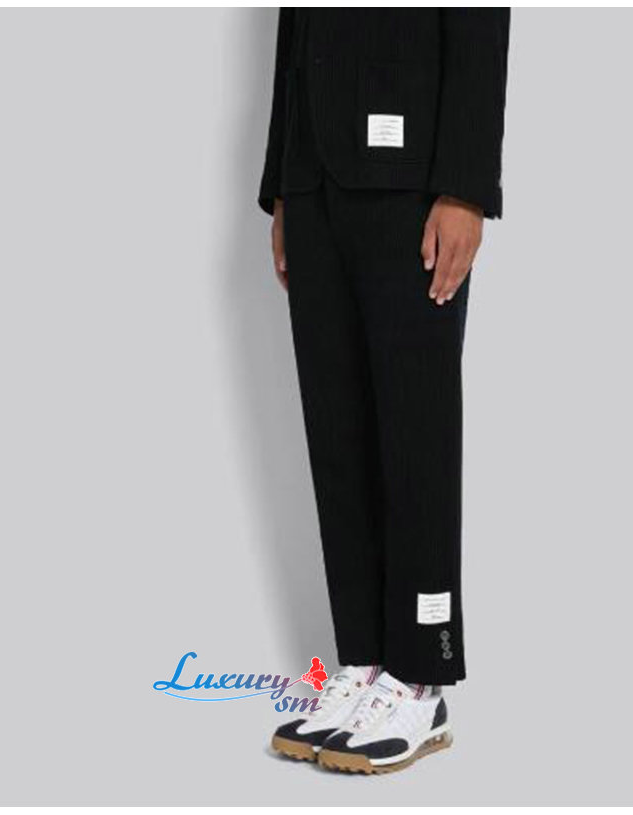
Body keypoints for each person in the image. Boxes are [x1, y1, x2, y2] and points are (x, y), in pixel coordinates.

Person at [259, 8, 510, 774]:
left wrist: (465, 187)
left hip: (413, 175)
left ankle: (421, 678)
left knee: (415, 431)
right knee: (336, 434)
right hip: (314, 176)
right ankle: (365, 663)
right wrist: (282, 184)